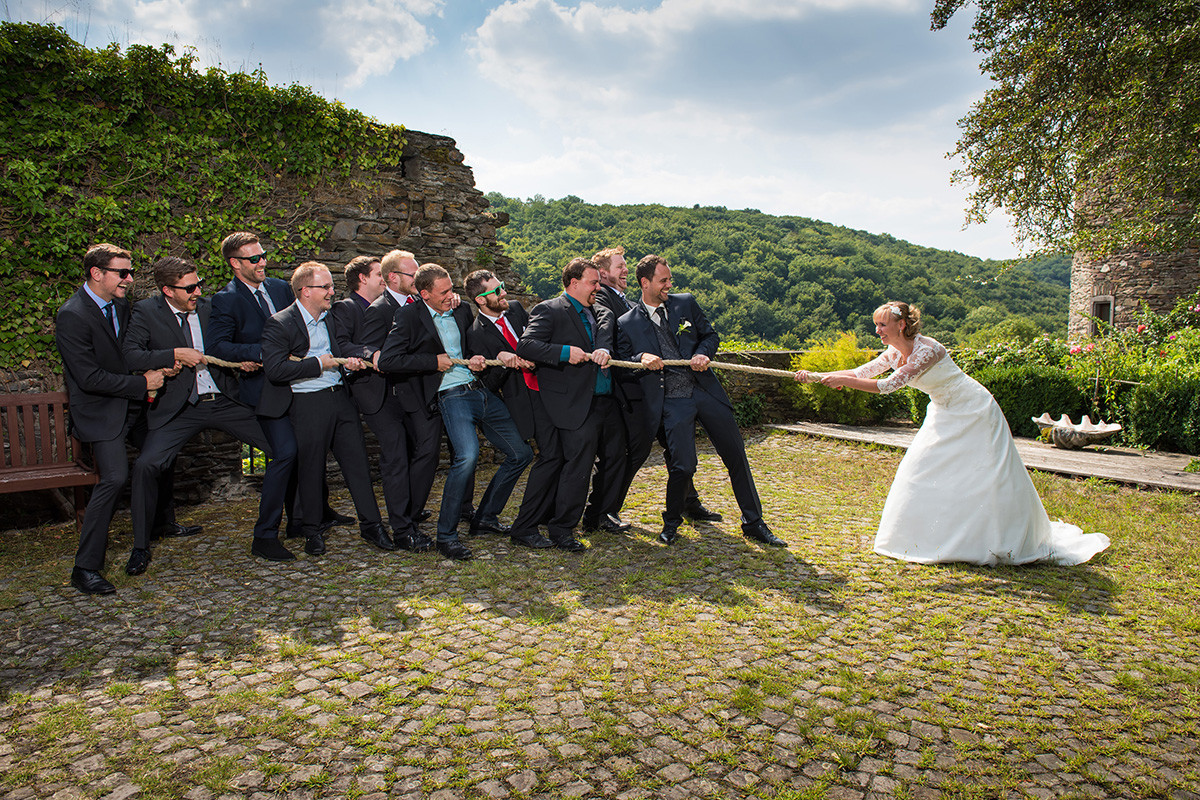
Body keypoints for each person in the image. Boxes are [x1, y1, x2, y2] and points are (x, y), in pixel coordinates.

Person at [795, 301, 1110, 565]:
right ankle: (924, 538)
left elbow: (887, 386)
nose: (878, 331)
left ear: (901, 325)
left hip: (975, 410)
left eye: (882, 325)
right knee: (920, 469)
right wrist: (818, 376)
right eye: (876, 325)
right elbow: (863, 373)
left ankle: (996, 539)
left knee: (986, 475)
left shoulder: (927, 350)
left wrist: (843, 381)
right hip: (944, 411)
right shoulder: (893, 352)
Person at [122, 256, 295, 570]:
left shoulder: (211, 307)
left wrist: (240, 359)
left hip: (226, 400)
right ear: (166, 290)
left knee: (283, 450)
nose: (197, 292)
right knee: (147, 465)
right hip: (179, 407)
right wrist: (173, 355)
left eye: (198, 284)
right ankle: (140, 547)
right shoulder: (147, 313)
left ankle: (280, 529)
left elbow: (225, 344)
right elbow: (131, 355)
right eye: (189, 288)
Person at [616, 255, 784, 548]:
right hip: (671, 401)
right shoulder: (626, 322)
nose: (670, 285)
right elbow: (623, 357)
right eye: (663, 281)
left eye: (670, 279)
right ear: (645, 283)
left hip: (705, 392)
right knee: (683, 466)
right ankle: (671, 521)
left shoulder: (685, 303)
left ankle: (754, 522)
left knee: (736, 455)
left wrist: (705, 352)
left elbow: (710, 335)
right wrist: (641, 358)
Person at [378, 264, 533, 561]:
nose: (452, 296)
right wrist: (432, 361)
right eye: (445, 292)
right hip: (450, 397)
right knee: (467, 457)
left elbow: (472, 344)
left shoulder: (461, 311)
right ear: (425, 294)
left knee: (521, 454)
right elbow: (388, 360)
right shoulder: (409, 316)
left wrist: (478, 358)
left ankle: (485, 517)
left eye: (452, 289)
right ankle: (446, 536)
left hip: (479, 390)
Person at [208, 232, 352, 538]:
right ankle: (286, 525)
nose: (263, 262)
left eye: (263, 255)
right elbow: (218, 346)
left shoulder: (277, 287)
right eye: (254, 258)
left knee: (312, 450)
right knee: (287, 453)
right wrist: (262, 354)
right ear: (235, 263)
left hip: (303, 384)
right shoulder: (225, 299)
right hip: (265, 389)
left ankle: (316, 513)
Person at [55, 244, 174, 594]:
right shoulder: (72, 315)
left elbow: (127, 354)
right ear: (97, 273)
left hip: (133, 406)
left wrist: (155, 365)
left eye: (130, 271)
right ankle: (85, 568)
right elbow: (88, 377)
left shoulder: (122, 306)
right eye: (122, 273)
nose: (129, 279)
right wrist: (142, 382)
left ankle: (157, 527)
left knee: (162, 451)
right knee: (114, 478)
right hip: (101, 411)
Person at [259, 261, 390, 556]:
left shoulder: (330, 318)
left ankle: (373, 527)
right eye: (326, 287)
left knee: (358, 465)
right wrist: (319, 363)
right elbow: (275, 370)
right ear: (306, 291)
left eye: (331, 286)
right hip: (307, 404)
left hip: (340, 399)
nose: (332, 292)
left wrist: (352, 360)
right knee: (311, 470)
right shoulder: (279, 323)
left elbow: (342, 348)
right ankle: (312, 531)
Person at [589, 246, 720, 530]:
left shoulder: (624, 299)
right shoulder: (602, 298)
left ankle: (687, 501)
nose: (625, 269)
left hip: (658, 391)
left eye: (625, 265)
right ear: (603, 273)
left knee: (677, 451)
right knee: (630, 453)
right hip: (633, 393)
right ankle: (602, 512)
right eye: (619, 266)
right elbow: (611, 333)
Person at [516, 258, 621, 552]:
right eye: (593, 283)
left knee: (567, 465)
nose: (598, 288)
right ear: (573, 283)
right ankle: (561, 529)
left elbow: (606, 326)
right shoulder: (549, 309)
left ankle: (541, 524)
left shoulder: (596, 311)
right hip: (565, 404)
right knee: (576, 467)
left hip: (595, 401)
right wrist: (564, 352)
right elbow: (525, 346)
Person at [464, 270, 554, 548]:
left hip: (546, 391)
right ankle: (507, 518)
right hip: (516, 403)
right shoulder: (475, 335)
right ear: (481, 300)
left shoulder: (515, 310)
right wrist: (502, 362)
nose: (505, 292)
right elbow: (488, 384)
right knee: (527, 455)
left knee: (549, 453)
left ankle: (544, 513)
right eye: (497, 290)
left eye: (502, 286)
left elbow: (536, 340)